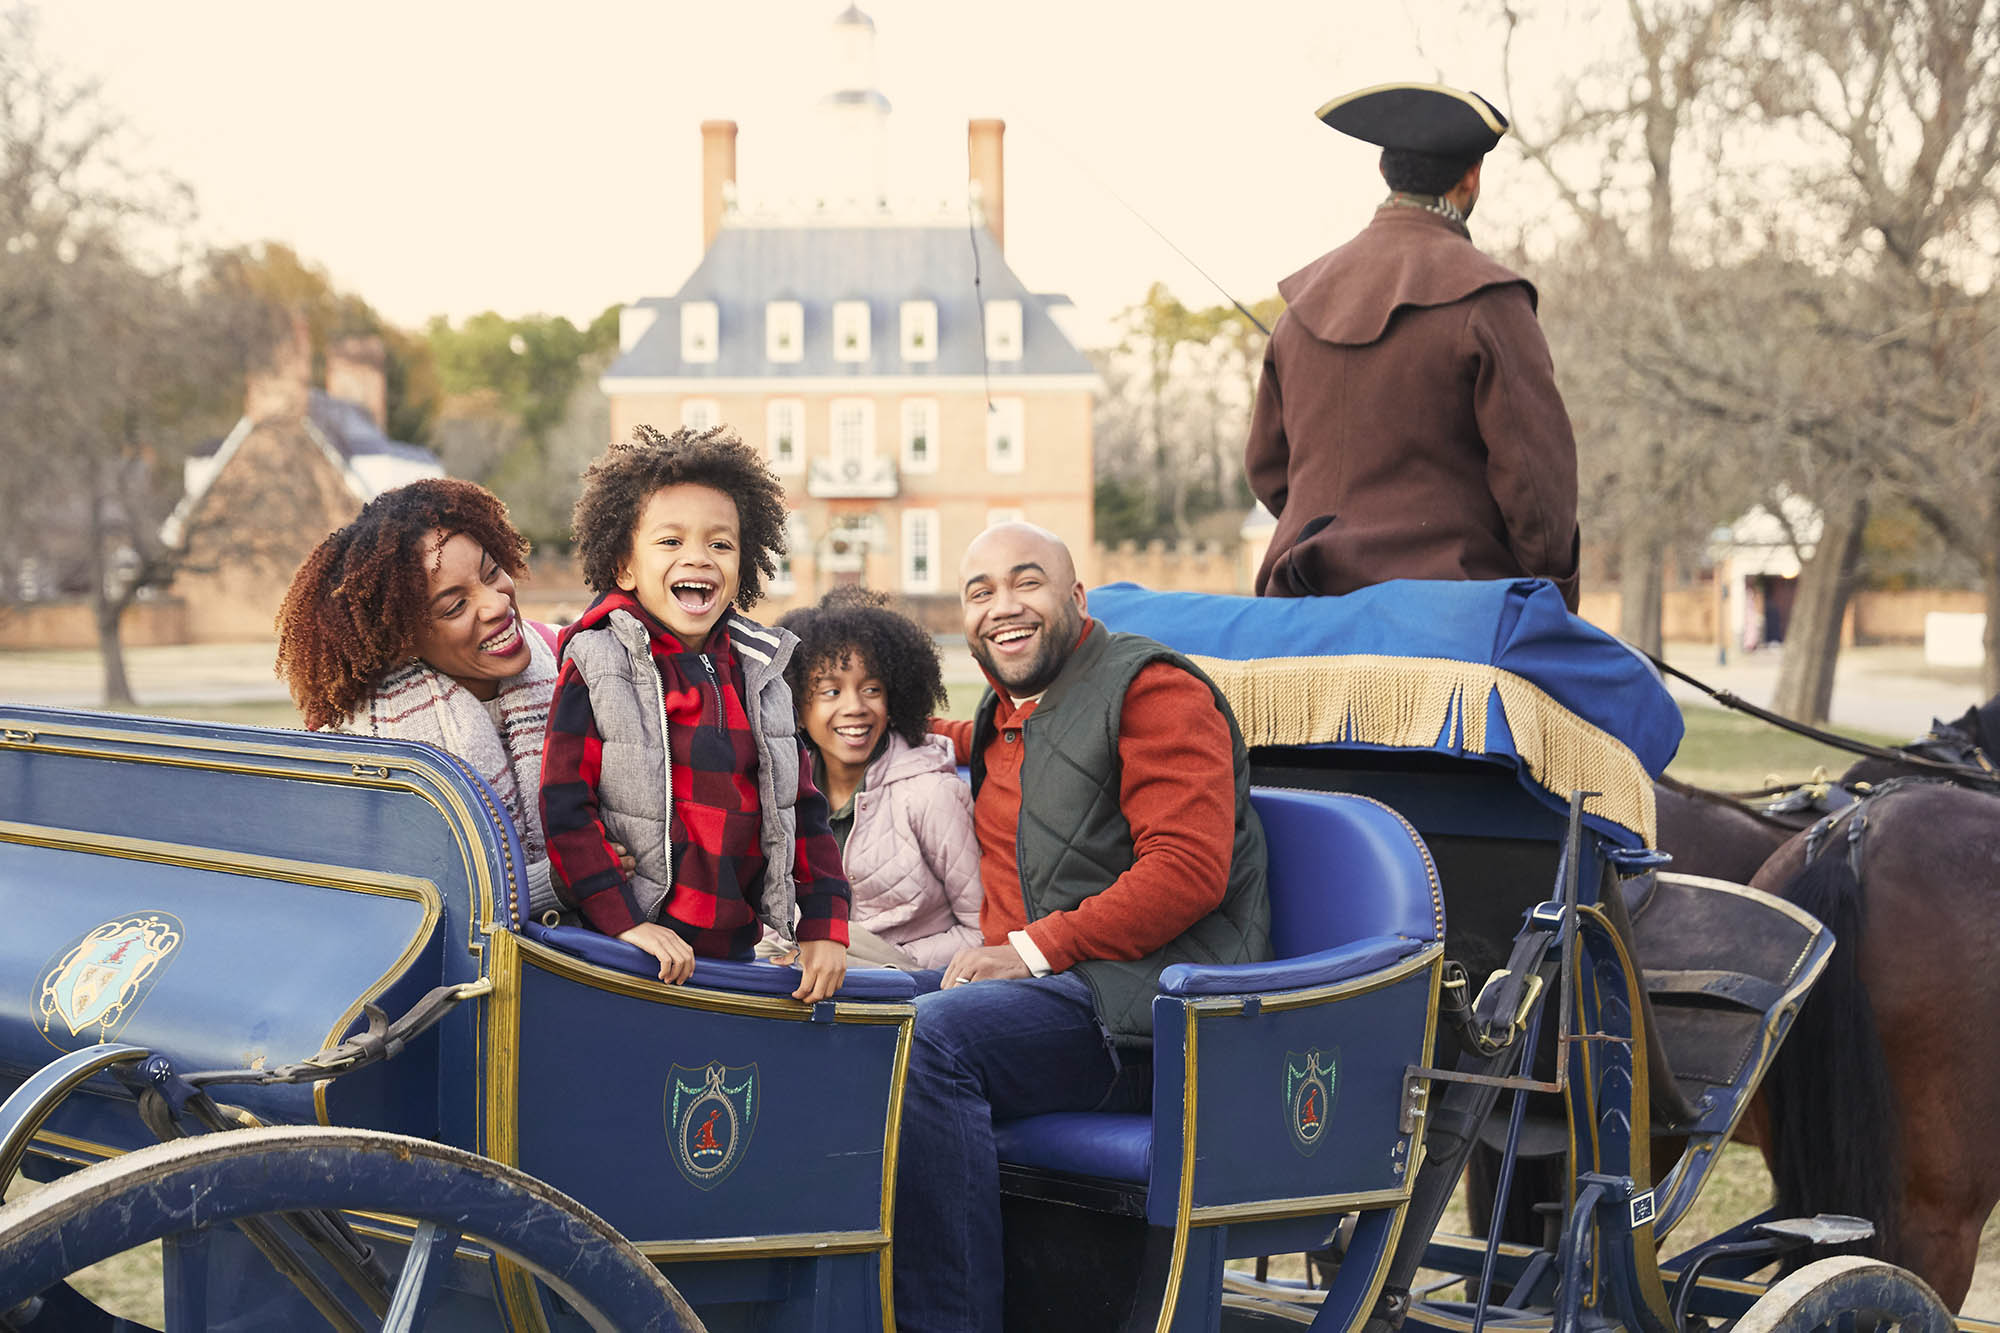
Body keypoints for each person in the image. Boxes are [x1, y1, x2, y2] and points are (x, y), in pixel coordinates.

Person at [894, 521, 1270, 1333]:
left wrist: (1029, 950)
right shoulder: (1004, 716)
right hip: (1053, 1000)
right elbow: (961, 742)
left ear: (1076, 596)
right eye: (981, 591)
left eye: (1026, 582)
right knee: (853, 1010)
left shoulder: (1152, 689)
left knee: (932, 1038)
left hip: (1152, 1014)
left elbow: (1187, 868)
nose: (1003, 605)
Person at [539, 424, 850, 1004]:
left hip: (733, 951)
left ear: (744, 565)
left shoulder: (761, 671)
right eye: (670, 541)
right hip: (629, 952)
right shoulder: (598, 661)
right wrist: (623, 922)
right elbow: (564, 807)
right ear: (625, 567)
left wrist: (824, 924)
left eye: (721, 544)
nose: (698, 557)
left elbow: (802, 809)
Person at [1245, 82, 1581, 610]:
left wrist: (1336, 537)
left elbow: (1268, 472)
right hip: (1451, 615)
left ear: (1384, 172)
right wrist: (1551, 601)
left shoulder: (1299, 310)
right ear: (1471, 177)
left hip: (1301, 608)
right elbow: (1539, 497)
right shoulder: (1491, 302)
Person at [274, 478, 631, 922]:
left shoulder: (578, 661)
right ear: (402, 641)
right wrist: (555, 884)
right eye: (454, 607)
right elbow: (399, 905)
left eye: (491, 573)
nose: (496, 604)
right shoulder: (372, 746)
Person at [775, 586, 981, 970]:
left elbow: (980, 932)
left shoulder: (932, 794)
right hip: (801, 974)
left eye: (871, 689)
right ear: (798, 709)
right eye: (830, 691)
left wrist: (889, 966)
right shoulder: (780, 794)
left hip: (905, 983)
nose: (855, 707)